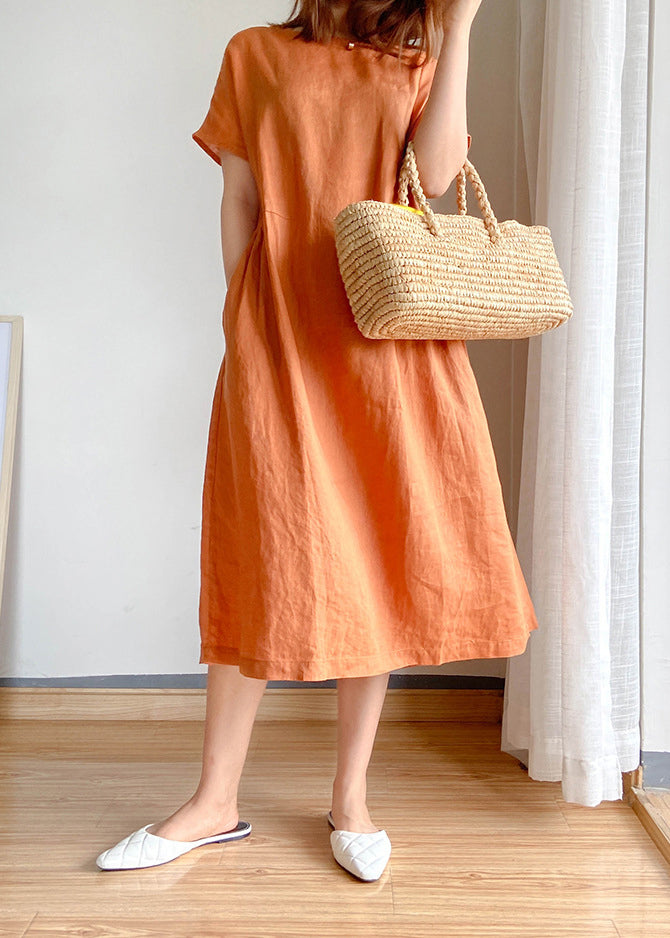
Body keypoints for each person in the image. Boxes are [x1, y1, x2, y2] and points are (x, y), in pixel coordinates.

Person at [96, 0, 538, 882]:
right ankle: (214, 800)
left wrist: (461, 34)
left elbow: (441, 178)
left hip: (387, 347)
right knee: (256, 550)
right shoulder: (254, 54)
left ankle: (352, 799)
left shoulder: (415, 57)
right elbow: (241, 195)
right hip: (280, 338)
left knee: (371, 557)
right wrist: (243, 322)